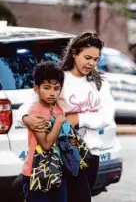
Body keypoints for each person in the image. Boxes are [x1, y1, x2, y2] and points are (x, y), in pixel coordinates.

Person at [17, 31, 116, 202]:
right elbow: (29, 104)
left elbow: (106, 115)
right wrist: (25, 118)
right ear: (74, 53)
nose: (91, 63)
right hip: (66, 153)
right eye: (87, 57)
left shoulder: (100, 82)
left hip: (91, 152)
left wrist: (78, 118)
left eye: (95, 59)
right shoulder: (61, 78)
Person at [22, 61, 67, 202]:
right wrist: (59, 122)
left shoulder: (57, 108)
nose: (52, 93)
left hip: (57, 171)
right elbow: (46, 145)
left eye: (56, 88)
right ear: (36, 89)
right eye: (46, 88)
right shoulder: (36, 112)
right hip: (37, 173)